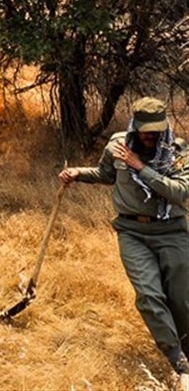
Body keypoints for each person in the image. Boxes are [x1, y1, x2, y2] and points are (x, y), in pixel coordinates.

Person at [59, 97, 189, 388]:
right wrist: (79, 173)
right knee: (149, 296)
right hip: (132, 232)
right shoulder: (117, 146)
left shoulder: (178, 151)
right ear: (135, 126)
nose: (151, 136)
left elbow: (180, 193)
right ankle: (178, 361)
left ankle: (187, 354)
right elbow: (107, 175)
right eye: (146, 130)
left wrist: (141, 167)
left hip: (172, 231)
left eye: (156, 131)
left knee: (181, 301)